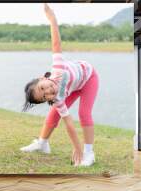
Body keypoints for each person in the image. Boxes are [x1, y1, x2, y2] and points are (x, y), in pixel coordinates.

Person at [21, 3, 99, 166]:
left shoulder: (58, 69)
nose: (49, 91)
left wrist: (52, 19)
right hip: (74, 86)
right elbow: (69, 123)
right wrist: (75, 146)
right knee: (53, 114)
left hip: (89, 77)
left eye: (43, 87)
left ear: (42, 77)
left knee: (84, 113)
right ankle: (42, 143)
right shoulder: (57, 98)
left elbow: (56, 44)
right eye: (45, 96)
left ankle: (89, 153)